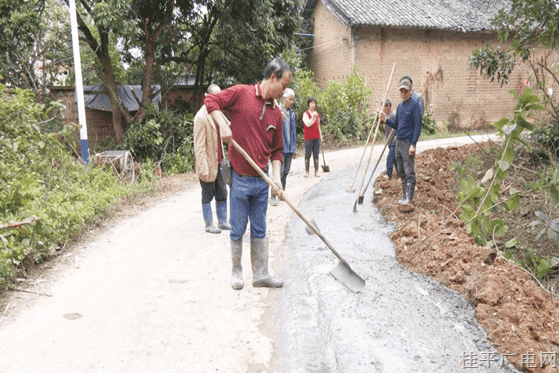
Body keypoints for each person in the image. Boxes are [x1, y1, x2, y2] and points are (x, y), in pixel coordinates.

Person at [204, 57, 291, 290]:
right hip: (240, 180)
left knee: (260, 228)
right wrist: (222, 124)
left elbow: (277, 151)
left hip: (262, 182)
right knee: (238, 227)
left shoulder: (276, 114)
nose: (283, 91)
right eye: (283, 85)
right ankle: (236, 270)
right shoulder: (241, 93)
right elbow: (210, 100)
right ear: (273, 78)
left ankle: (261, 274)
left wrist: (276, 177)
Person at [193, 84, 231, 234]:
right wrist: (203, 168)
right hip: (207, 163)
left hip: (220, 163)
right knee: (207, 194)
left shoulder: (219, 113)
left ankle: (223, 221)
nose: (218, 100)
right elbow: (199, 146)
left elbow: (228, 128)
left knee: (222, 192)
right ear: (206, 97)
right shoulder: (201, 117)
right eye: (215, 96)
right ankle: (209, 223)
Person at [380, 77, 422, 205]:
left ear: (410, 90)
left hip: (407, 143)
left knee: (409, 171)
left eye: (406, 91)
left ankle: (409, 199)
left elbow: (417, 127)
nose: (403, 93)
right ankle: (404, 196)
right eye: (401, 91)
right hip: (398, 142)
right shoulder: (400, 106)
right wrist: (385, 119)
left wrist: (413, 144)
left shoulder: (415, 105)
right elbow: (396, 125)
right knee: (401, 171)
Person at [270, 88, 296, 206]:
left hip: (290, 148)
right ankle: (273, 196)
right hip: (280, 147)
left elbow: (294, 131)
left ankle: (281, 193)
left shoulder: (292, 113)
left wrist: (294, 148)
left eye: (293, 100)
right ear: (285, 99)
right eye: (290, 99)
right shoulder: (277, 111)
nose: (292, 102)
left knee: (285, 172)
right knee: (278, 172)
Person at [302, 97, 321, 177]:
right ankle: (307, 171)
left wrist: (321, 136)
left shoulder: (317, 114)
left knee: (316, 155)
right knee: (307, 154)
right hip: (309, 137)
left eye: (314, 103)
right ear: (308, 104)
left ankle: (316, 171)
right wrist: (313, 117)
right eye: (311, 103)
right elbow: (308, 124)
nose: (313, 105)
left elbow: (318, 125)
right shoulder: (305, 114)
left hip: (317, 137)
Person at [381, 99, 397, 179]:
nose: (382, 108)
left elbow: (397, 127)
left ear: (388, 107)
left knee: (390, 158)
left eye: (383, 106)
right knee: (395, 160)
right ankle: (400, 175)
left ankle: (389, 176)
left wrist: (395, 137)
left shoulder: (393, 115)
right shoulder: (385, 115)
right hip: (389, 141)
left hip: (394, 141)